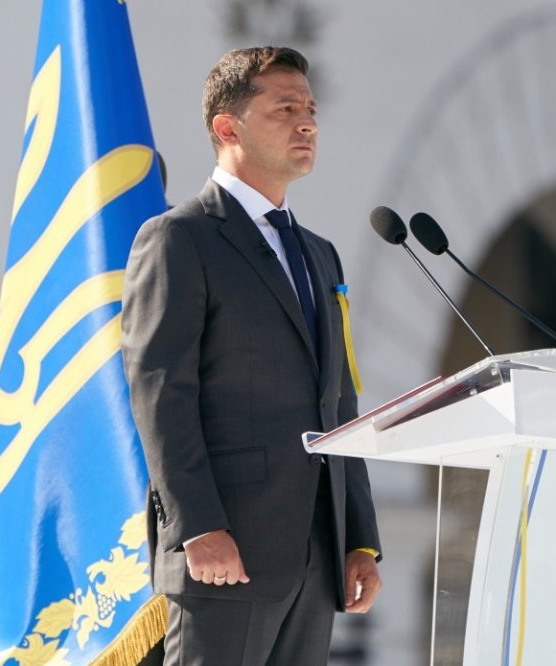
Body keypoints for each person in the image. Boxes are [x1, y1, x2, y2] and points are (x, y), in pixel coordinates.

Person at [121, 46, 382, 665]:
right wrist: (198, 527)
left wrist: (360, 540)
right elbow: (161, 392)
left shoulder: (319, 255)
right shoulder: (179, 238)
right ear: (226, 126)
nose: (307, 123)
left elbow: (339, 403)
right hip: (225, 551)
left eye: (311, 109)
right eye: (285, 107)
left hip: (316, 560)